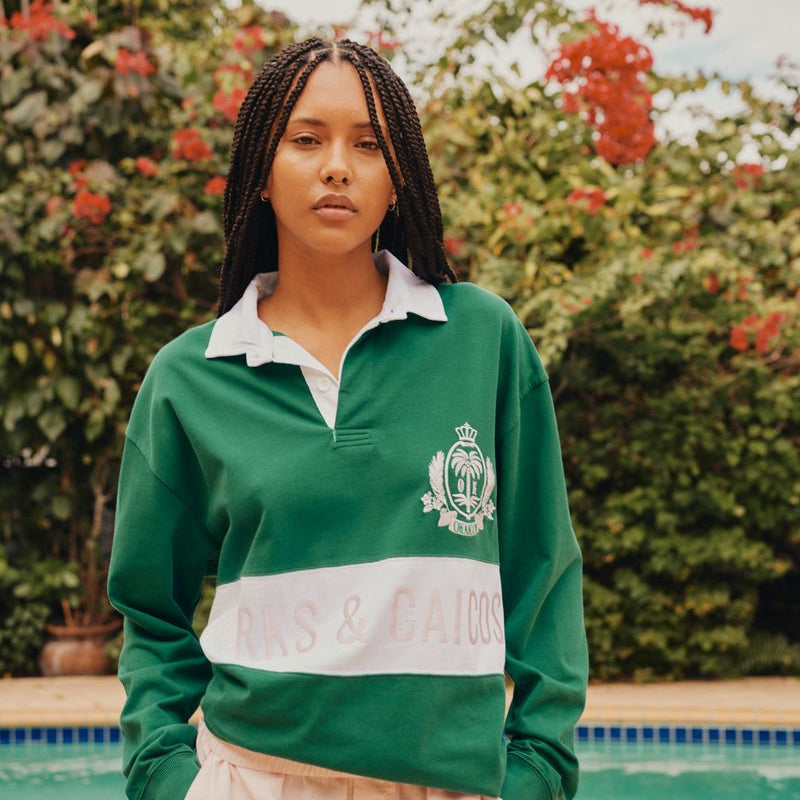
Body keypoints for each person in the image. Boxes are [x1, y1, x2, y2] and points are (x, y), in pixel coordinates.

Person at [107, 37, 589, 800]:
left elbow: (543, 570)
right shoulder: (188, 380)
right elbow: (148, 607)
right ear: (260, 174)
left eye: (368, 144)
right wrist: (166, 778)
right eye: (306, 139)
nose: (337, 165)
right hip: (251, 778)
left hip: (455, 785)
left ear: (398, 181)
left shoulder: (482, 339)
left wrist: (538, 768)